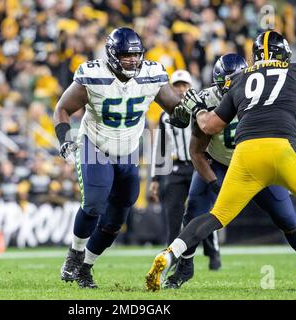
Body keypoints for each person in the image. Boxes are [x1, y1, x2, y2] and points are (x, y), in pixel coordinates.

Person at [146, 30, 296, 292]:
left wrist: (196, 109)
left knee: (215, 215)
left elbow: (211, 125)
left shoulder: (241, 81)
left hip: (244, 153)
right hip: (280, 147)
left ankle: (170, 254)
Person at [54, 27, 196, 289]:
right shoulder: (93, 75)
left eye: (136, 55)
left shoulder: (151, 75)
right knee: (95, 203)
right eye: (125, 55)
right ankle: (74, 253)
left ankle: (86, 268)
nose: (132, 60)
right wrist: (64, 138)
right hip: (94, 144)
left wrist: (191, 108)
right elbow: (63, 108)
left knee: (116, 219)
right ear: (111, 55)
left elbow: (174, 110)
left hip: (128, 149)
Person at [149, 69, 221, 280]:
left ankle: (213, 251)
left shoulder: (203, 109)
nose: (181, 89)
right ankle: (173, 256)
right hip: (177, 168)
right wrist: (155, 178)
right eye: (177, 86)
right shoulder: (165, 115)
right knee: (173, 214)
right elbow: (159, 148)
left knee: (201, 213)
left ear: (191, 87)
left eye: (184, 85)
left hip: (200, 166)